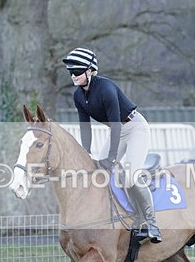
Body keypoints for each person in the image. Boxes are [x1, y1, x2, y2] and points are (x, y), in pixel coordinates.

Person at [62, 47, 162, 243]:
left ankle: (152, 224)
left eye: (77, 71)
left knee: (131, 177)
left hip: (134, 128)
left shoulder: (106, 89)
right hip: (116, 131)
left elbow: (116, 126)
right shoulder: (78, 96)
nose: (73, 76)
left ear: (90, 71)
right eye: (71, 73)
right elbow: (85, 127)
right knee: (98, 171)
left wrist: (111, 157)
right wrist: (85, 154)